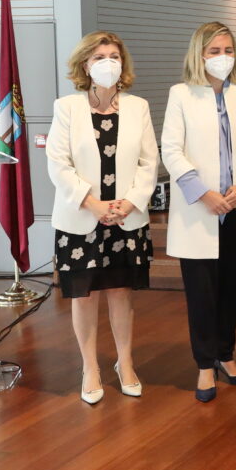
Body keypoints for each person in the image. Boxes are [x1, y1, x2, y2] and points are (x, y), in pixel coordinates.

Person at [46, 31, 158, 405]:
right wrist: (91, 203)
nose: (107, 63)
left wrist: (131, 202)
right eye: (99, 57)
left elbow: (149, 162)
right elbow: (58, 163)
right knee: (84, 296)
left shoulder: (138, 107)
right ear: (85, 65)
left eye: (113, 56)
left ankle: (125, 363)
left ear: (122, 63)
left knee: (121, 293)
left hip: (126, 217)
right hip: (82, 217)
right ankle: (90, 367)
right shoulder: (67, 107)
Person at [161, 22, 236, 403]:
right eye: (214, 51)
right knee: (202, 293)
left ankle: (226, 354)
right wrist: (203, 193)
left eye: (228, 50)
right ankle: (205, 363)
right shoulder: (181, 94)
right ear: (199, 55)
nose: (223, 57)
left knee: (233, 289)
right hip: (201, 209)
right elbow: (171, 149)